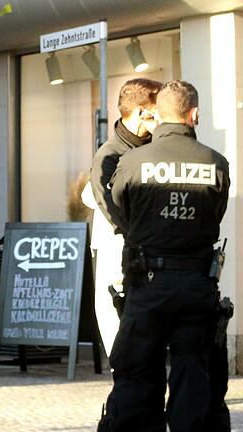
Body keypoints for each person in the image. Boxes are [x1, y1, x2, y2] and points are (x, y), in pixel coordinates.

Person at [98, 80, 230, 432]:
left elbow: (122, 211)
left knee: (136, 378)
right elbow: (214, 214)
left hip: (147, 285)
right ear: (195, 114)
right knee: (194, 380)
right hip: (197, 288)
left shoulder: (131, 161)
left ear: (158, 114)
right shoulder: (216, 163)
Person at [89, 78, 162, 355]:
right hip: (123, 254)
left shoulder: (154, 147)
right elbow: (112, 210)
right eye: (159, 109)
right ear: (144, 112)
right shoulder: (108, 156)